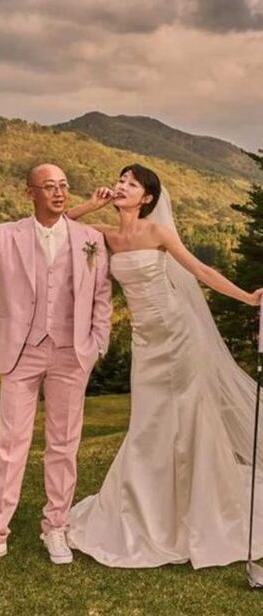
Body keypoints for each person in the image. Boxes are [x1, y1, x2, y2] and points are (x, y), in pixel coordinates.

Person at [65, 163, 263, 568]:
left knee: (186, 418)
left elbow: (200, 270)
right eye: (120, 180)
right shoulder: (106, 235)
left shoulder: (157, 232)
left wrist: (246, 298)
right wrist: (90, 204)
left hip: (177, 333)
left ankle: (197, 507)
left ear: (148, 198)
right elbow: (60, 225)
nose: (122, 186)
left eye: (132, 183)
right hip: (145, 341)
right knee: (148, 421)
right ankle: (149, 506)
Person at [0, 163, 112, 572]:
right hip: (20, 353)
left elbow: (102, 296)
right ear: (30, 193)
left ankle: (55, 526)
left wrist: (96, 344)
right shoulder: (7, 235)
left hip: (71, 354)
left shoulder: (90, 239)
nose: (59, 193)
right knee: (10, 445)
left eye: (63, 186)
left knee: (64, 444)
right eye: (49, 187)